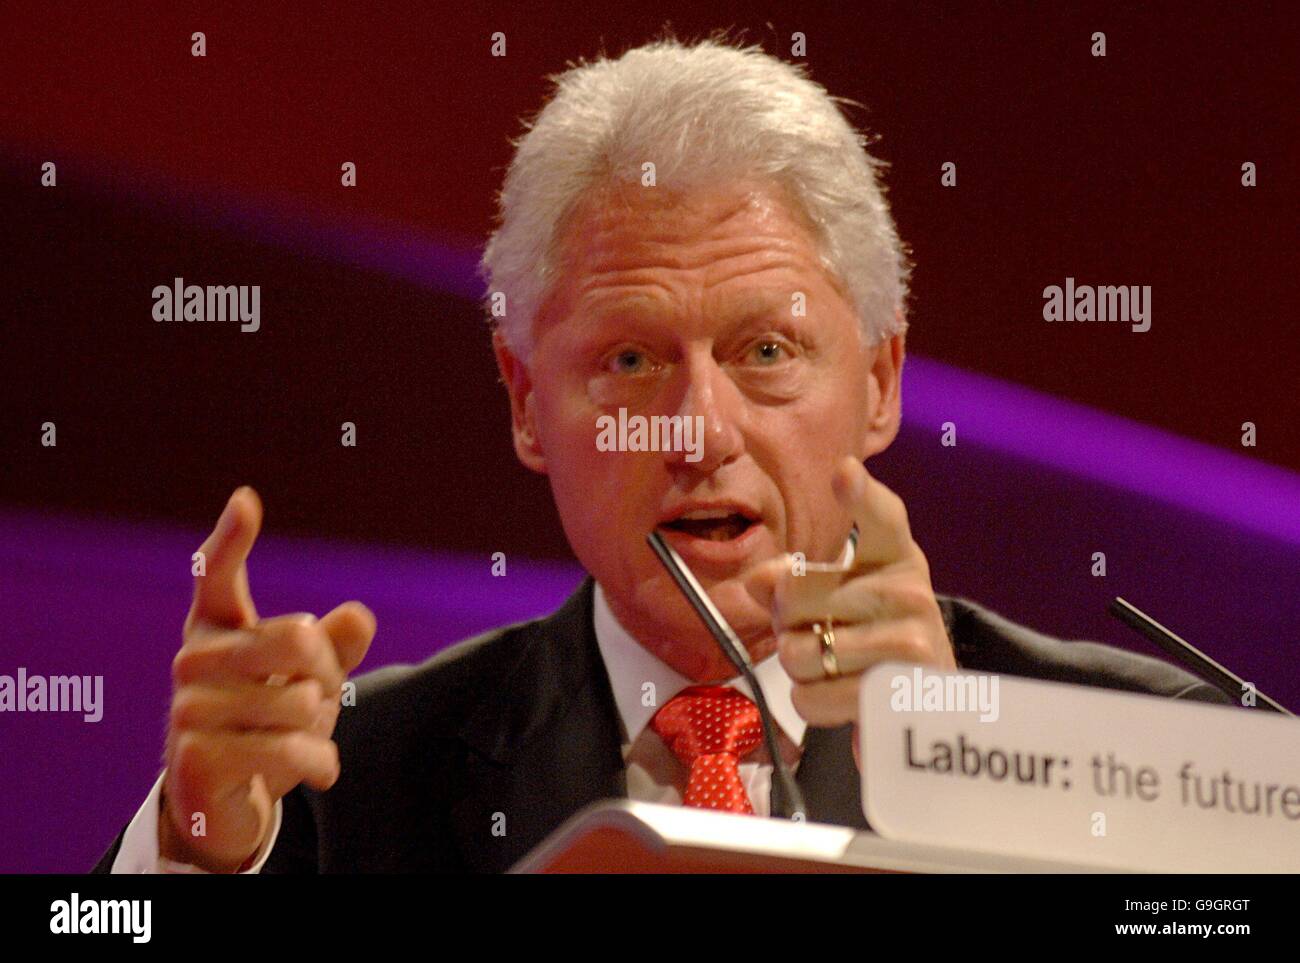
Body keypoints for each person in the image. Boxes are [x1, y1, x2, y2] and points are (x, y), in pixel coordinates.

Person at [95, 37, 1229, 874]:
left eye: (768, 350)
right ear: (527, 402)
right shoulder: (335, 786)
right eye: (631, 361)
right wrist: (193, 851)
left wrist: (968, 779)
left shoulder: (1151, 762)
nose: (696, 431)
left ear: (879, 382)